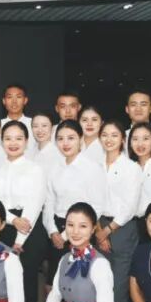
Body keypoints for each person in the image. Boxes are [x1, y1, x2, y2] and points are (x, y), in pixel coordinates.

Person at [0, 120, 47, 302]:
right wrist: (12, 219)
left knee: (26, 276)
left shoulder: (35, 169)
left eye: (18, 138)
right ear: (1, 141)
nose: (13, 143)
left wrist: (20, 240)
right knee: (4, 275)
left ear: (26, 141)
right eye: (8, 138)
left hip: (29, 230)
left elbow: (35, 203)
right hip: (3, 226)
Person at [43, 120, 106, 283]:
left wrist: (66, 235)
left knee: (79, 283)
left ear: (81, 139)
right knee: (53, 283)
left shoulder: (92, 168)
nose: (65, 143)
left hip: (81, 230)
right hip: (56, 230)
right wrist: (52, 231)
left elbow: (97, 206)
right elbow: (49, 201)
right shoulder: (54, 168)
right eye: (60, 138)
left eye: (71, 138)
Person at [94, 120, 142, 302]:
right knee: (100, 283)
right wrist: (98, 230)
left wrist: (107, 231)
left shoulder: (131, 168)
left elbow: (130, 205)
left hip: (122, 227)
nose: (109, 139)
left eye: (114, 135)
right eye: (105, 135)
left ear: (123, 139)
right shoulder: (95, 166)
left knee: (119, 285)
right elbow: (90, 199)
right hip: (97, 226)